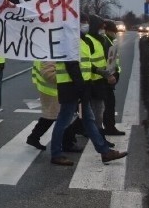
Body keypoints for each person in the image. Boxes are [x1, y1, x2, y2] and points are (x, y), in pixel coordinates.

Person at [50, 13, 128, 166]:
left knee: (89, 120)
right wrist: (81, 87)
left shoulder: (82, 41)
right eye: (83, 22)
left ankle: (105, 152)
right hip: (70, 86)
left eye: (86, 22)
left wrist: (99, 72)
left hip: (82, 86)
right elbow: (72, 66)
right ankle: (56, 153)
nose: (85, 25)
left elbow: (84, 64)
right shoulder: (69, 40)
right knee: (64, 120)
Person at [84, 15, 115, 141]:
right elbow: (86, 62)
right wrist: (101, 72)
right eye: (101, 27)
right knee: (95, 111)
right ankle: (101, 141)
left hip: (99, 80)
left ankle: (99, 139)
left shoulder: (99, 39)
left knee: (95, 112)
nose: (103, 29)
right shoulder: (89, 40)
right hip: (92, 80)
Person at [26, 60, 59, 150]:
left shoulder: (46, 50)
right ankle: (33, 137)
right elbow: (48, 74)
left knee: (52, 116)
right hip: (52, 90)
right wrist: (67, 76)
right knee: (51, 117)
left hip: (49, 88)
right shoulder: (49, 51)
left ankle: (33, 137)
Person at [102, 20, 126, 136]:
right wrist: (110, 75)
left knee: (106, 105)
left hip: (108, 78)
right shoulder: (106, 42)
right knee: (108, 104)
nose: (115, 34)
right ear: (107, 31)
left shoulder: (109, 41)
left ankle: (109, 127)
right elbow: (107, 62)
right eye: (113, 32)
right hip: (105, 79)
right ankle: (109, 127)